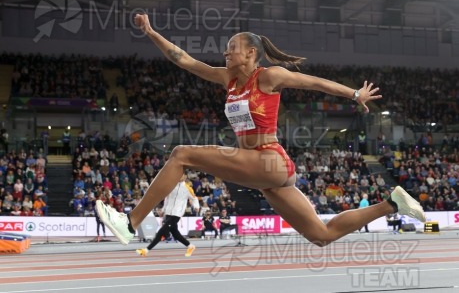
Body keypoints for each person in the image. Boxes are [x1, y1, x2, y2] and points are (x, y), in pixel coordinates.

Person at [96, 13, 426, 247]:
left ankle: (130, 222)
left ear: (251, 53)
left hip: (270, 160)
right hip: (264, 171)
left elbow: (314, 82)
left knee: (181, 154)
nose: (225, 52)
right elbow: (184, 59)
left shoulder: (268, 77)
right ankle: (393, 204)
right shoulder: (227, 79)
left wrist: (354, 94)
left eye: (232, 48)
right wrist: (151, 32)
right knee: (321, 236)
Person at [136, 174, 199, 257]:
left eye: (182, 175)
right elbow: (167, 198)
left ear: (185, 177)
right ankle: (190, 246)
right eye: (179, 174)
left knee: (161, 231)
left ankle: (146, 250)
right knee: (175, 234)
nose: (180, 176)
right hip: (168, 212)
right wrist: (163, 210)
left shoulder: (188, 188)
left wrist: (196, 206)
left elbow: (194, 198)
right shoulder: (171, 186)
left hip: (177, 213)